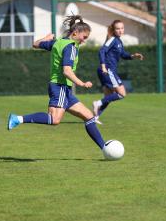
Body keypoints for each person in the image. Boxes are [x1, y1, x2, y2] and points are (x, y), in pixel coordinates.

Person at [7, 15, 106, 151]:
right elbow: (67, 71)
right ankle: (18, 119)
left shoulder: (58, 42)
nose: (84, 41)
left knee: (89, 117)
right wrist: (81, 83)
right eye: (84, 37)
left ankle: (104, 148)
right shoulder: (71, 47)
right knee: (54, 120)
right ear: (75, 33)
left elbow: (35, 44)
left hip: (64, 89)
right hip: (59, 86)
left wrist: (46, 38)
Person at [92, 20, 144, 124]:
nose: (120, 30)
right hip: (107, 70)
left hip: (108, 70)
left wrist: (133, 56)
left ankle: (95, 118)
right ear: (114, 30)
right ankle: (97, 103)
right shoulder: (112, 40)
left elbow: (123, 55)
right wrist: (103, 66)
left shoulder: (119, 41)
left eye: (122, 28)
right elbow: (102, 51)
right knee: (122, 93)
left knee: (109, 97)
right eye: (118, 28)